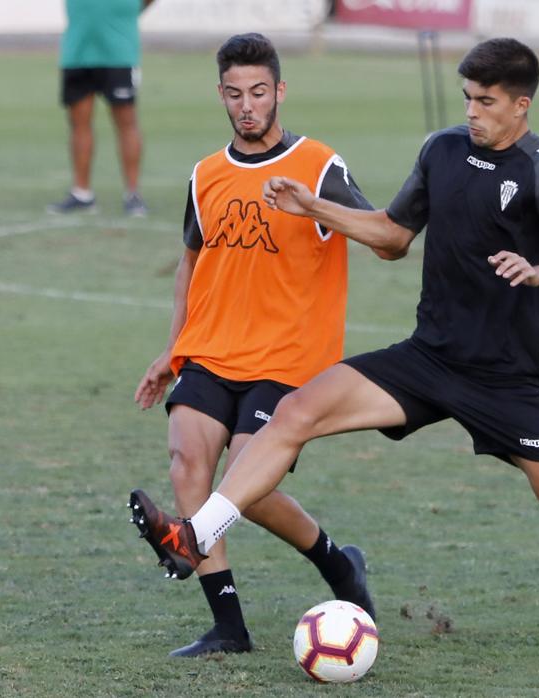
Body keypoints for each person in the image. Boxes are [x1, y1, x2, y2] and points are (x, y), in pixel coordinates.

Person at [129, 37, 539, 668]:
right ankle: (196, 533)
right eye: (468, 97)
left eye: (487, 101)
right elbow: (390, 235)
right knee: (296, 412)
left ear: (521, 106)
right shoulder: (441, 151)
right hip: (428, 359)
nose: (472, 111)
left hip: (504, 381)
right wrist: (311, 205)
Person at [129, 33, 377, 658]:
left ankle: (339, 567)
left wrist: (315, 205)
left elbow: (380, 232)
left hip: (290, 359)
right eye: (235, 94)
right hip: (212, 350)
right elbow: (191, 263)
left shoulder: (318, 164)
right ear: (221, 95)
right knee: (188, 463)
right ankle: (229, 629)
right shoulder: (206, 175)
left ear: (280, 91)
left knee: (248, 483)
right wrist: (174, 348)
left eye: (259, 93)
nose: (248, 106)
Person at [50, 0, 153, 217]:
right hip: (77, 52)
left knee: (126, 122)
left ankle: (133, 193)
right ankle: (82, 193)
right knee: (79, 124)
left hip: (119, 52)